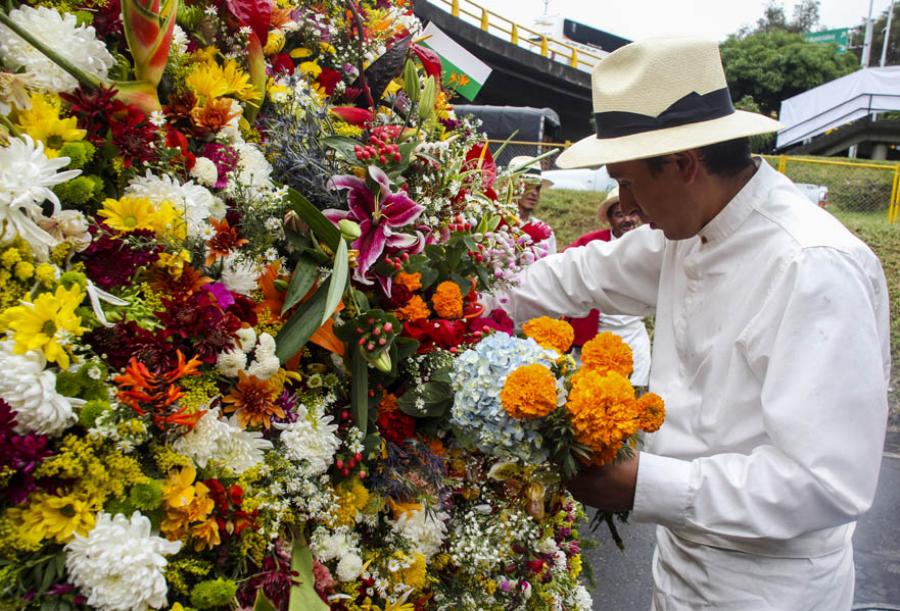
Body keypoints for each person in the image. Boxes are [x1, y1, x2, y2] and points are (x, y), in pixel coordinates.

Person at [503, 37, 890, 611]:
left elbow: (824, 483)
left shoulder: (812, 264)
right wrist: (456, 295)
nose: (623, 202)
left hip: (771, 589)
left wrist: (640, 484)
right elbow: (579, 275)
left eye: (629, 181)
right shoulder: (689, 230)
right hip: (680, 561)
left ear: (685, 164)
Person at [566, 187, 651, 385]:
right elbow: (566, 272)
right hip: (595, 335)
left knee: (633, 392)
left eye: (632, 213)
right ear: (610, 219)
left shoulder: (649, 244)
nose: (627, 220)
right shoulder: (589, 244)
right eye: (619, 215)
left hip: (633, 335)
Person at [509, 155, 557, 254]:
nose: (534, 193)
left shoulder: (545, 231)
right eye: (528, 185)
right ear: (512, 187)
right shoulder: (496, 224)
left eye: (537, 188)